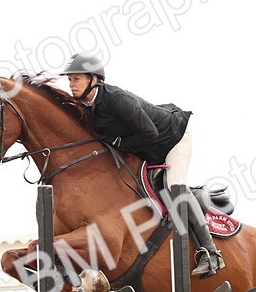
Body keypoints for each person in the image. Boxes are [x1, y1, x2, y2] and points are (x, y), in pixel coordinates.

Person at [61, 52, 224, 278]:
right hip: (146, 147)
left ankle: (211, 253)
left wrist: (120, 143)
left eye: (76, 79)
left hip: (172, 138)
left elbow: (150, 132)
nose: (71, 84)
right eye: (69, 80)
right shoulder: (88, 107)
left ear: (94, 79)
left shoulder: (116, 99)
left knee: (173, 186)